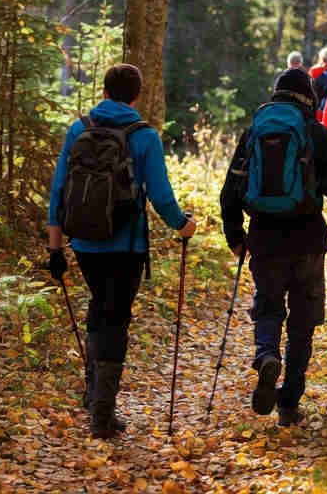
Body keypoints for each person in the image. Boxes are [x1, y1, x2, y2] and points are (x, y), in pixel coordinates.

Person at [46, 63, 198, 439]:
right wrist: (182, 224)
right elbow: (160, 195)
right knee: (116, 316)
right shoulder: (144, 135)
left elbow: (59, 191)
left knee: (100, 307)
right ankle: (101, 413)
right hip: (126, 244)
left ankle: (95, 396)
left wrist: (54, 247)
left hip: (83, 241)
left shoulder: (79, 129)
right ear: (137, 95)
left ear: (103, 90)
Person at [219, 69, 327, 426]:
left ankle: (266, 355)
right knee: (302, 321)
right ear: (309, 97)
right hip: (308, 239)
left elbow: (231, 189)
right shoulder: (319, 134)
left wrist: (235, 235)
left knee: (267, 309)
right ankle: (289, 402)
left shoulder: (255, 132)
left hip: (264, 236)